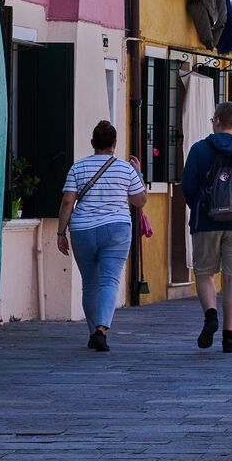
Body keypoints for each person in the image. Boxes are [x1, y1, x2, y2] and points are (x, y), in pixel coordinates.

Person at [180, 100, 232, 353]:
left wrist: (198, 207)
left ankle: (210, 316)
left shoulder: (198, 150)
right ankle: (230, 338)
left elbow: (187, 185)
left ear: (217, 120)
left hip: (205, 223)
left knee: (204, 274)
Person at [56, 120, 148, 352]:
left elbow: (68, 201)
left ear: (92, 143)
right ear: (114, 144)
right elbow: (140, 201)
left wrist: (60, 232)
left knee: (90, 284)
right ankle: (101, 331)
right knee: (109, 281)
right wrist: (138, 173)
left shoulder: (78, 167)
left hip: (82, 230)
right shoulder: (126, 169)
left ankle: (92, 333)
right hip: (116, 229)